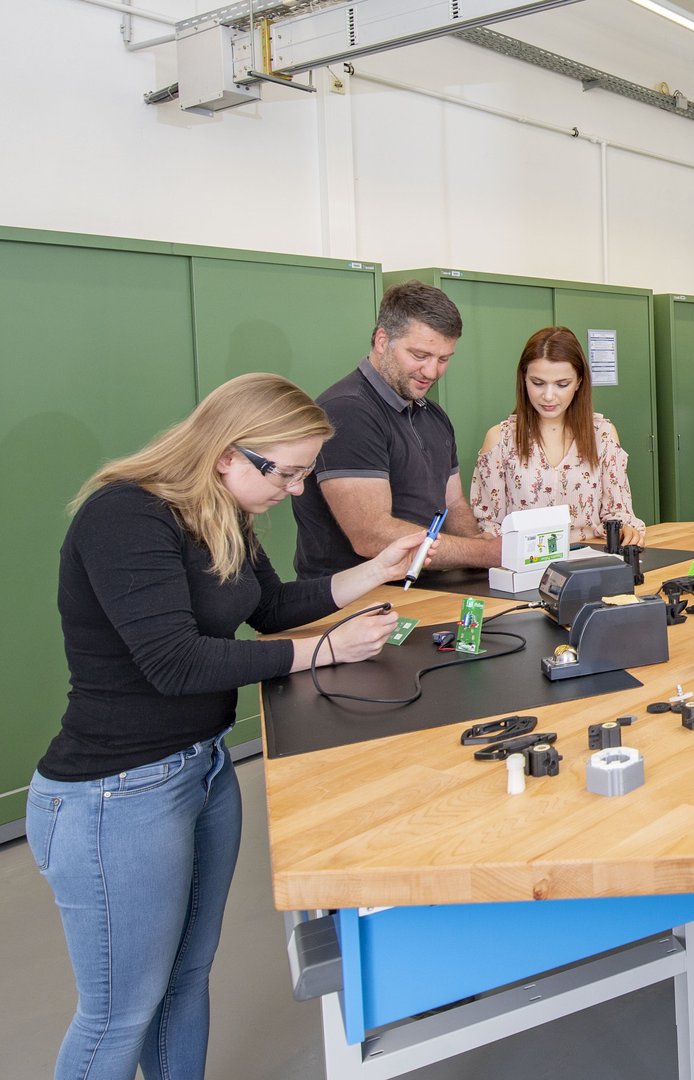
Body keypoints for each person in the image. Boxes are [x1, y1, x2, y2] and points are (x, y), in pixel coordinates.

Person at [29, 373, 429, 1080]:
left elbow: (270, 608)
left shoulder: (222, 515)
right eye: (289, 474)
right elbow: (174, 662)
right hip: (115, 794)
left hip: (202, 770)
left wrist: (374, 571)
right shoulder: (125, 516)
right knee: (120, 1012)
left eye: (305, 475)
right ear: (226, 454)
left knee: (185, 979)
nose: (297, 491)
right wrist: (325, 650)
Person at [293, 280, 500, 578]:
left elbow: (452, 504)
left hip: (427, 586)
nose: (432, 371)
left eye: (443, 359)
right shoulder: (348, 410)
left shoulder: (434, 415)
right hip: (359, 595)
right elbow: (372, 534)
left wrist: (477, 544)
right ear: (382, 340)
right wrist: (484, 552)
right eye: (420, 356)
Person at [470, 326, 645, 548]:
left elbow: (617, 513)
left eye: (562, 384)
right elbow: (488, 525)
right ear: (524, 378)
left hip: (590, 559)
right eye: (538, 383)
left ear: (579, 382)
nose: (548, 396)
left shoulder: (602, 434)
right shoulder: (500, 440)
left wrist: (624, 529)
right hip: (525, 562)